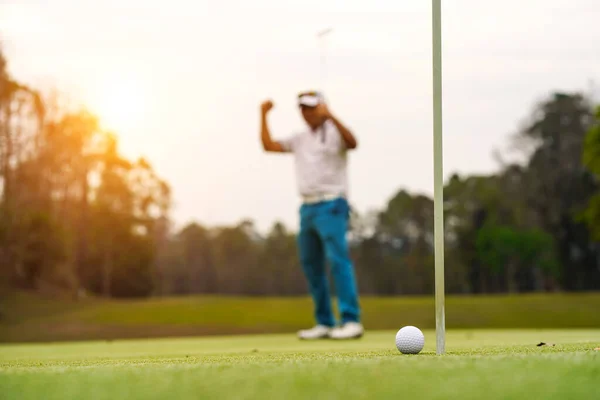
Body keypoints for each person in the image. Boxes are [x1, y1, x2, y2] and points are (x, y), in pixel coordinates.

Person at [259, 91, 363, 340]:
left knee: (338, 261)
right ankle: (325, 322)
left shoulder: (337, 133)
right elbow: (269, 146)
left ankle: (351, 321)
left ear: (322, 108)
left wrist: (332, 116)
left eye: (312, 108)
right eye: (303, 109)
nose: (307, 113)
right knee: (311, 265)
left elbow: (353, 143)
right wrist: (262, 115)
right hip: (307, 208)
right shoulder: (299, 138)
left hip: (332, 204)